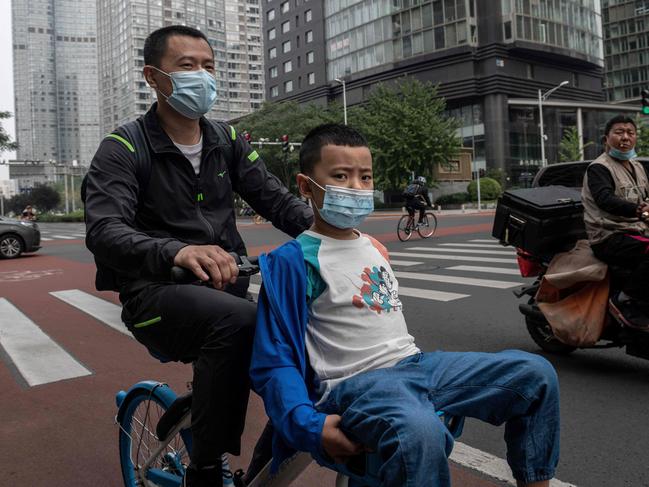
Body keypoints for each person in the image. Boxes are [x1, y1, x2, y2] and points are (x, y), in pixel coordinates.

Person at [251, 124, 560, 487]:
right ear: (306, 186)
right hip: (357, 386)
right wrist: (307, 424)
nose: (357, 187)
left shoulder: (370, 245)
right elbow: (275, 359)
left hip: (415, 367)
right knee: (419, 432)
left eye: (365, 177)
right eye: (341, 176)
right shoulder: (295, 259)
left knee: (535, 375)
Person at [84, 25, 312, 487]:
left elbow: (278, 201)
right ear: (154, 76)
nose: (202, 76)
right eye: (187, 66)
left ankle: (252, 453)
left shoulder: (226, 140)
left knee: (303, 342)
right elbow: (106, 231)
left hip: (226, 291)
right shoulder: (124, 148)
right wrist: (178, 250)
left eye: (208, 66)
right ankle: (204, 468)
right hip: (154, 298)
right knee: (241, 323)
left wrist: (342, 236)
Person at [581, 115, 649, 329]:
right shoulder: (599, 168)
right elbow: (605, 199)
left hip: (635, 230)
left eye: (630, 132)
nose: (625, 137)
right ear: (606, 139)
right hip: (609, 235)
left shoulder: (637, 166)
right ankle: (624, 299)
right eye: (619, 132)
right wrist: (640, 210)